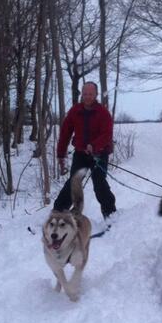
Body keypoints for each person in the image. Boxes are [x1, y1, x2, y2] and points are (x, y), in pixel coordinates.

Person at [54, 81, 117, 220]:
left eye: (90, 94)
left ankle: (110, 214)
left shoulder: (103, 113)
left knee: (99, 183)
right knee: (74, 182)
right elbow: (65, 133)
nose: (87, 96)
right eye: (85, 94)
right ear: (82, 94)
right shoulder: (75, 111)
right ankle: (58, 211)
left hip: (99, 154)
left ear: (96, 94)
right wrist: (60, 153)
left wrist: (94, 146)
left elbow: (107, 134)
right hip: (80, 154)